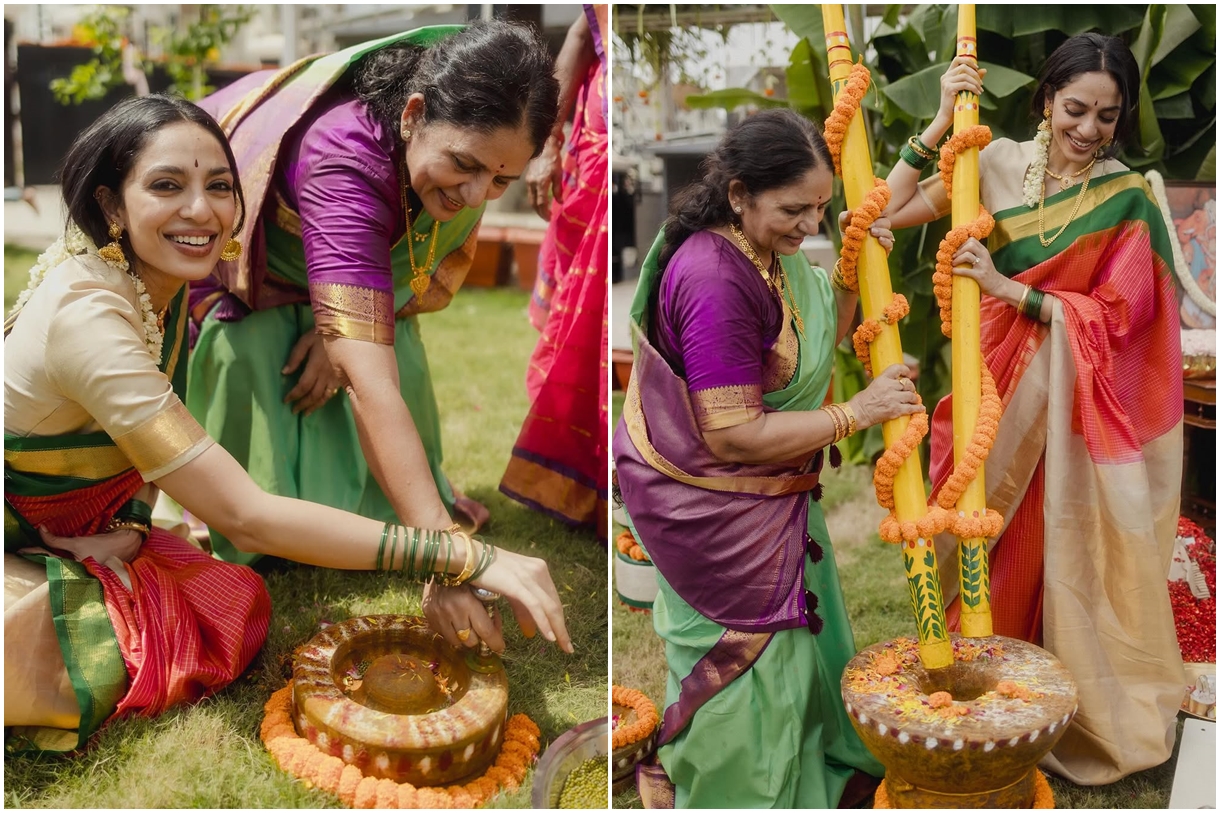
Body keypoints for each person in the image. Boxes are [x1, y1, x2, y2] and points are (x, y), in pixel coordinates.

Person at [3, 95, 572, 753]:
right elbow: (247, 516)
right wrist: (464, 552)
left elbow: (138, 457)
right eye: (167, 185)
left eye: (219, 185)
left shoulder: (148, 277)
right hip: (21, 523)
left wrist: (128, 530)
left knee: (229, 600)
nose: (201, 210)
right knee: (140, 645)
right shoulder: (90, 320)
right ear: (109, 206)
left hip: (78, 523)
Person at [883, 33, 1184, 784]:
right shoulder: (993, 161)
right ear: (1047, 99)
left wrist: (1009, 288)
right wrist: (939, 118)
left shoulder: (1126, 196)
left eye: (1108, 117)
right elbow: (883, 210)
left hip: (1066, 411)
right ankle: (957, 690)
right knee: (964, 530)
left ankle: (1029, 704)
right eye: (1076, 108)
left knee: (1036, 551)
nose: (1089, 130)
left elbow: (1124, 318)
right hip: (985, 384)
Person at [612, 109, 923, 808]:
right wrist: (859, 412)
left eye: (819, 206)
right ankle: (741, 787)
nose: (809, 223)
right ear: (738, 193)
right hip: (719, 508)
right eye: (793, 208)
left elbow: (804, 349)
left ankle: (801, 766)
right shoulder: (714, 279)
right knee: (746, 659)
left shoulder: (764, 251)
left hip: (769, 494)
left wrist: (847, 278)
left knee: (793, 652)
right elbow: (730, 435)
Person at [186, 21, 557, 555]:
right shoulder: (345, 158)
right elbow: (367, 382)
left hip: (346, 278)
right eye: (464, 165)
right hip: (256, 284)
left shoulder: (452, 167)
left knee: (389, 347)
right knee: (283, 351)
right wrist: (444, 554)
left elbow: (388, 298)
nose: (477, 196)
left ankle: (382, 506)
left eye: (501, 180)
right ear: (412, 115)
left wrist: (336, 330)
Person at [500, 5, 608, 538]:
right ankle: (578, 486)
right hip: (589, 157)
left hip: (606, 148)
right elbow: (582, 30)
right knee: (575, 331)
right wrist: (547, 143)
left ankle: (612, 492)